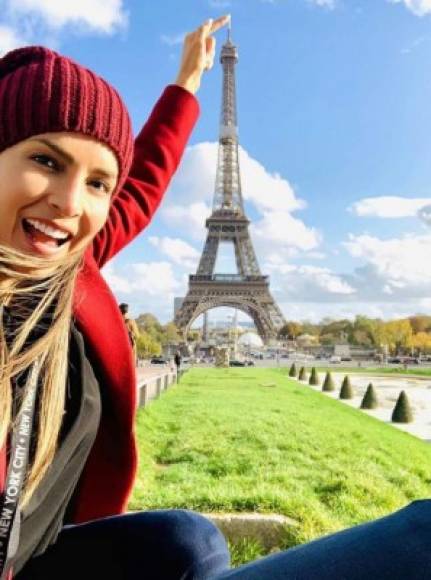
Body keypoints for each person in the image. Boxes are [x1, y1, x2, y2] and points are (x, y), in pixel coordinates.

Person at [0, 15, 232, 580]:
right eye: (46, 161)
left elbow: (146, 178)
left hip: (31, 558)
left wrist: (187, 82)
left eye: (99, 182)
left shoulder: (67, 269)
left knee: (190, 544)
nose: (69, 202)